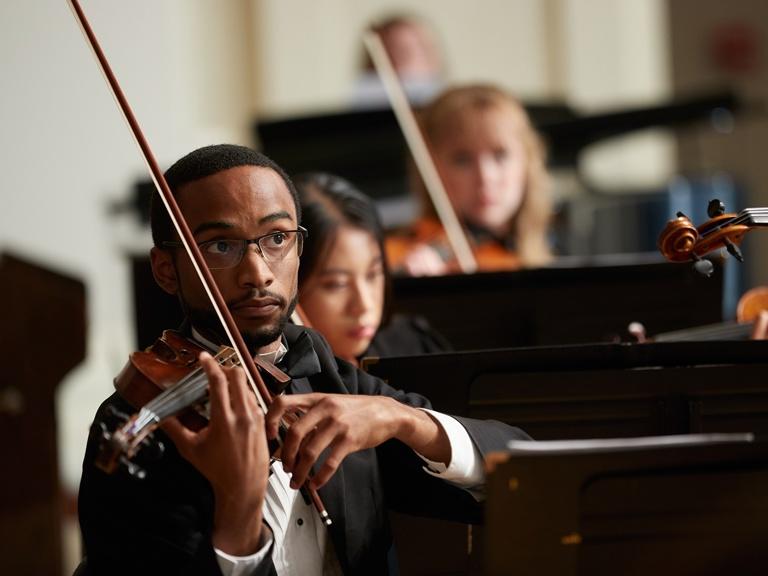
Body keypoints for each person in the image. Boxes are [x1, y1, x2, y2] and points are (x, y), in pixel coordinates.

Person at [77, 144, 529, 575]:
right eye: (220, 246)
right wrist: (237, 517)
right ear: (164, 269)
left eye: (276, 238)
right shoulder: (135, 424)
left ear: (298, 249)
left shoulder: (325, 374)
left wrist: (405, 419)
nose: (258, 273)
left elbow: (523, 475)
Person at [387, 84, 554, 276]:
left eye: (500, 155)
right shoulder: (403, 253)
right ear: (431, 167)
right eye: (462, 159)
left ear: (528, 161)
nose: (485, 176)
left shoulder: (554, 252)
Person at [293, 172, 450, 365]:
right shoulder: (289, 383)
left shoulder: (412, 344)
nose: (364, 305)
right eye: (336, 284)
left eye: (373, 274)